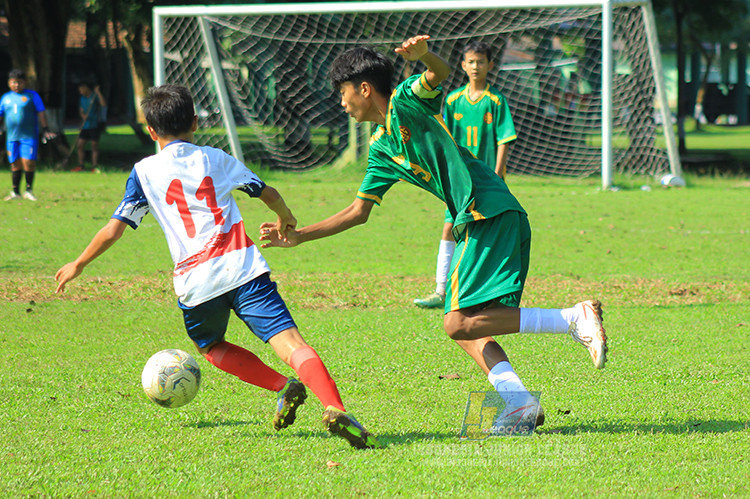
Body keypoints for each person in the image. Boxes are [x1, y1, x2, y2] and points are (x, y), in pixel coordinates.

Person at [260, 35, 607, 433]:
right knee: (464, 324)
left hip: (486, 209)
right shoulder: (380, 149)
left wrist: (424, 55)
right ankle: (519, 403)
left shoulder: (407, 99)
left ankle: (571, 318)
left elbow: (438, 74)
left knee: (455, 323)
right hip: (476, 218)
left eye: (342, 92)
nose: (341, 102)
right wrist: (300, 236)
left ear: (364, 89)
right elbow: (358, 212)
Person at [54, 84, 378, 449]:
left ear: (150, 130)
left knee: (210, 347)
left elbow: (115, 229)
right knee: (290, 343)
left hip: (196, 282)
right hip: (243, 268)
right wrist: (285, 217)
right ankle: (334, 406)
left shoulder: (143, 173)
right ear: (194, 122)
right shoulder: (215, 158)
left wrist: (78, 263)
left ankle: (282, 386)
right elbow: (266, 192)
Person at [414, 41, 517, 309]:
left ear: (490, 65)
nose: (475, 66)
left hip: (486, 181)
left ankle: (488, 293)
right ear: (463, 65)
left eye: (481, 61)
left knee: (486, 232)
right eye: (471, 61)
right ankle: (441, 290)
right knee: (450, 228)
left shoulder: (496, 101)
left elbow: (505, 139)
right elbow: (444, 137)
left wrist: (497, 174)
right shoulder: (452, 100)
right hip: (460, 181)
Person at [1, 69, 56, 201]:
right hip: (12, 137)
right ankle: (15, 192)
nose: (16, 85)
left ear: (24, 82)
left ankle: (29, 190)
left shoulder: (32, 96)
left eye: (19, 82)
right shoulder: (5, 98)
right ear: (9, 83)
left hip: (29, 136)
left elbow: (41, 112)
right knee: (14, 163)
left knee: (28, 162)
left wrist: (46, 128)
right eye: (14, 82)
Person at [71, 81, 107, 171]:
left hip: (94, 125)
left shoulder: (94, 97)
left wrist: (98, 93)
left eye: (81, 90)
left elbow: (103, 104)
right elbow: (81, 110)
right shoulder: (82, 98)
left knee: (94, 146)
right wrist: (83, 115)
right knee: (79, 145)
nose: (80, 92)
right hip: (85, 126)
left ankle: (94, 166)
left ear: (86, 88)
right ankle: (81, 165)